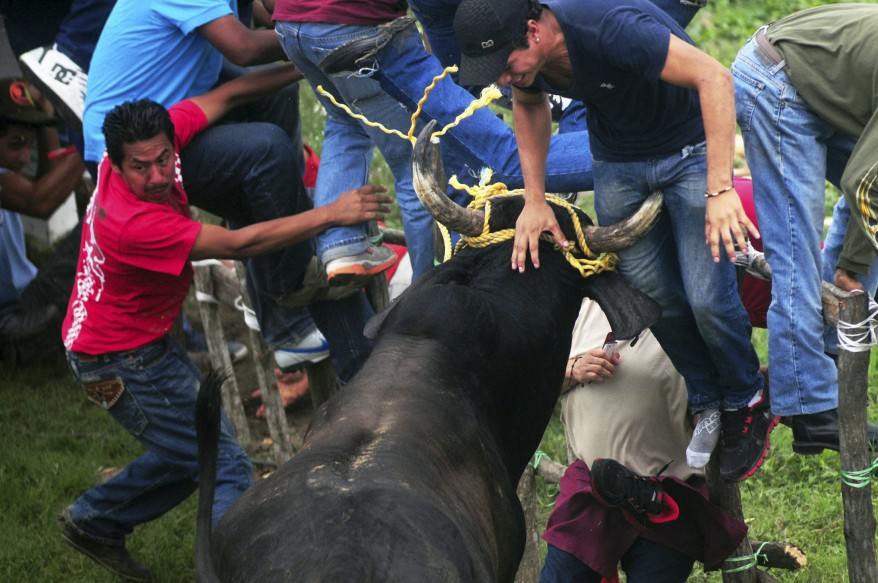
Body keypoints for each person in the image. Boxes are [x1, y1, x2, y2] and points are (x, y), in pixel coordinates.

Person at [58, 71, 391, 581]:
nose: (156, 175)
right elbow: (240, 245)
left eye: (164, 159)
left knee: (187, 454)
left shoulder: (149, 144)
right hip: (119, 361)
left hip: (132, 344)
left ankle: (96, 520)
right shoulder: (130, 223)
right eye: (140, 167)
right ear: (116, 165)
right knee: (226, 465)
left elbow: (229, 94)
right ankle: (232, 570)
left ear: (171, 142)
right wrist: (331, 214)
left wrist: (303, 62)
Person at [453, 0, 772, 482]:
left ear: (535, 32)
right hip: (619, 163)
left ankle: (747, 398)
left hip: (687, 151)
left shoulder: (609, 28)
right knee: (651, 296)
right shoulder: (527, 67)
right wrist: (535, 201)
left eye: (505, 65)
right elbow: (529, 104)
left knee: (708, 297)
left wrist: (721, 188)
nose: (500, 79)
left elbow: (714, 77)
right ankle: (708, 400)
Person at [81, 0, 371, 376]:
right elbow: (245, 48)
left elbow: (251, 57)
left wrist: (303, 63)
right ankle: (288, 310)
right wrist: (330, 34)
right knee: (265, 151)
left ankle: (281, 224)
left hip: (175, 113)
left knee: (272, 96)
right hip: (138, 146)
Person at [732, 4, 878, 453]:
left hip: (818, 79)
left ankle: (829, 355)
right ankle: (810, 407)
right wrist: (853, 269)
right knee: (795, 252)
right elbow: (865, 185)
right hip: (773, 79)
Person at [540, 299, 746, 582]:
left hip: (664, 502)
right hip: (590, 491)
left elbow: (724, 403)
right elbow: (538, 385)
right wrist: (573, 368)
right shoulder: (583, 303)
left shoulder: (690, 313)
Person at [0, 78, 85, 362]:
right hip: (11, 316)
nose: (25, 156)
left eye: (29, 144)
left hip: (24, 300)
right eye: (16, 145)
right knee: (98, 232)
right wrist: (94, 144)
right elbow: (40, 201)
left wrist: (46, 121)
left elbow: (47, 179)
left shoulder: (10, 175)